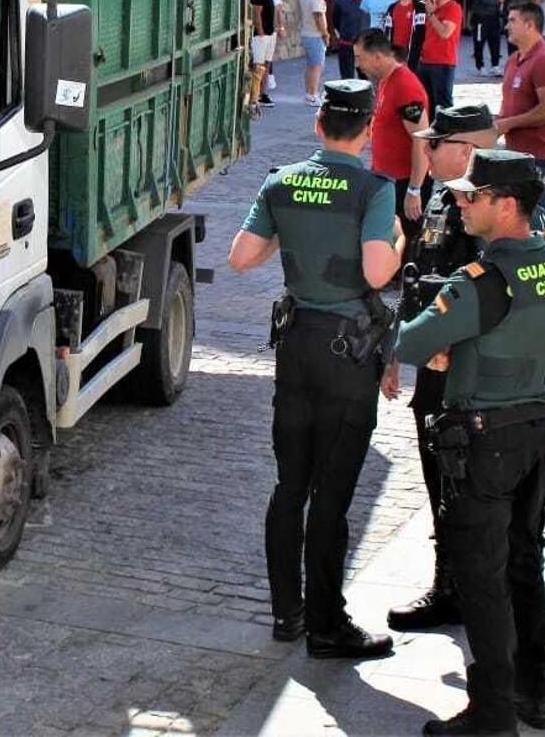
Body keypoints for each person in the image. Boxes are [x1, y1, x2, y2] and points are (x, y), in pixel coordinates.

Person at [393, 149, 545, 737]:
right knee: (528, 563)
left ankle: (493, 712)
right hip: (535, 428)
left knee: (482, 576)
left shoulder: (479, 284)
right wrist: (465, 345)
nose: (462, 203)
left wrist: (448, 344)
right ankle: (536, 694)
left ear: (508, 205)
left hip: (483, 442)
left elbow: (412, 343)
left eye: (475, 196)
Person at [229, 80, 400, 660]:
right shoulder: (374, 189)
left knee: (289, 487)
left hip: (296, 345)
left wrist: (293, 236)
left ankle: (286, 614)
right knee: (330, 498)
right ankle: (327, 625)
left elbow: (242, 257)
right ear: (369, 130)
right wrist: (397, 238)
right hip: (348, 356)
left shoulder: (282, 181)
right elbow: (378, 274)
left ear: (318, 124)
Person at [382, 103, 500, 635]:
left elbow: (491, 293)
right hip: (432, 365)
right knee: (439, 480)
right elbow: (420, 278)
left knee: (462, 482)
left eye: (435, 143)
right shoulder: (440, 193)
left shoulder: (488, 204)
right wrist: (397, 353)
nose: (424, 151)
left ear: (466, 151)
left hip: (463, 373)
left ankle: (463, 589)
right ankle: (450, 584)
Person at [356, 28, 430, 241]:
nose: (357, 64)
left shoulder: (405, 86)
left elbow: (422, 138)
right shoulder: (385, 80)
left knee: (405, 246)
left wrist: (414, 189)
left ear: (377, 57)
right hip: (387, 180)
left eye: (360, 58)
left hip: (404, 183)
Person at [496, 5, 545, 218]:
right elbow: (510, 105)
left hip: (543, 155)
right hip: (518, 154)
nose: (507, 26)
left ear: (529, 25)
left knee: (534, 224)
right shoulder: (514, 59)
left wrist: (508, 124)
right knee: (519, 222)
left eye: (512, 21)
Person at [420, 0, 461, 118]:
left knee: (443, 104)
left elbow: (445, 33)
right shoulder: (429, 7)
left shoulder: (453, 7)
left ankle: (448, 137)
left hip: (443, 62)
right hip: (425, 61)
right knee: (426, 103)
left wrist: (431, 15)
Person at [331, 0, 370, 80]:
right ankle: (348, 99)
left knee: (366, 79)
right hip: (346, 45)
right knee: (347, 79)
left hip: (366, 47)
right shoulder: (341, 0)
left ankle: (365, 98)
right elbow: (336, 21)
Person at [298, 0, 330, 106]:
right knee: (317, 67)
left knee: (311, 66)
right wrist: (325, 33)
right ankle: (312, 95)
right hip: (315, 35)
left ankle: (309, 94)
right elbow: (318, 15)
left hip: (307, 33)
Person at [469, 0, 503, 77]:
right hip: (482, 16)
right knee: (480, 40)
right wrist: (499, 1)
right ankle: (481, 66)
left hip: (491, 15)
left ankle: (494, 65)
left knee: (494, 40)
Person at [390, 0, 427, 71]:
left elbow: (422, 33)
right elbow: (388, 32)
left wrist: (418, 55)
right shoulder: (392, 8)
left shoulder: (420, 7)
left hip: (414, 57)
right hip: (395, 56)